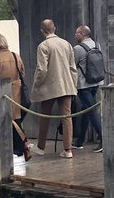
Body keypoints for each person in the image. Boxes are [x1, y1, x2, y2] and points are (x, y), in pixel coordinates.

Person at [32, 19, 79, 158]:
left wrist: (37, 84)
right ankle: (68, 149)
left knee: (44, 116)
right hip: (66, 85)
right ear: (55, 28)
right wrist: (73, 85)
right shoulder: (67, 44)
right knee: (67, 117)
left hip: (49, 86)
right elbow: (73, 68)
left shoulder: (43, 46)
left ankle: (41, 147)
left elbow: (42, 69)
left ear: (42, 31)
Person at [0, 33, 31, 161]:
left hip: (2, 94)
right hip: (17, 93)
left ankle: (19, 147)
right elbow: (22, 73)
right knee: (16, 121)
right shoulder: (15, 56)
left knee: (2, 124)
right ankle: (23, 146)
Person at [72, 25, 105, 152]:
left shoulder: (77, 49)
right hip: (96, 81)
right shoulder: (97, 45)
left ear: (82, 34)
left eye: (77, 33)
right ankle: (80, 141)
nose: (75, 36)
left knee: (91, 111)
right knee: (87, 109)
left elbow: (73, 65)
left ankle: (103, 139)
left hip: (84, 84)